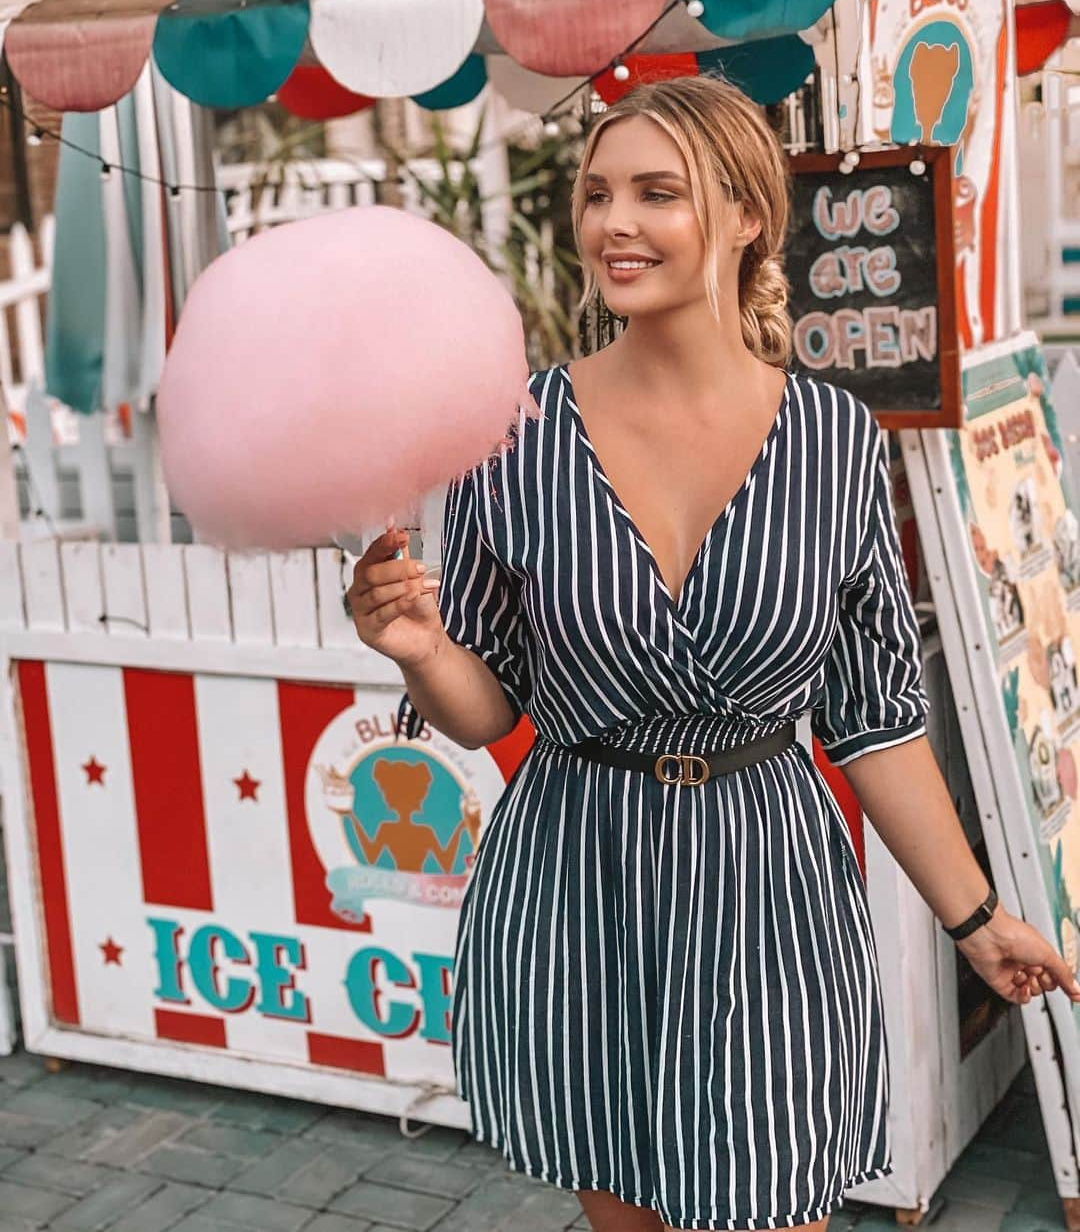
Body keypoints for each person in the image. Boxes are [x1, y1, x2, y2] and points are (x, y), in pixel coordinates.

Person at [346, 76, 1080, 1232]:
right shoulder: (510, 434)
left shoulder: (835, 439)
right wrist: (417, 644)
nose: (612, 225)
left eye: (655, 193)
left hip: (766, 884)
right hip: (578, 876)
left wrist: (976, 920)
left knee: (777, 1204)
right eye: (596, 195)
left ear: (745, 215)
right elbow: (487, 711)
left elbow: (873, 715)